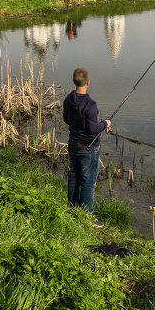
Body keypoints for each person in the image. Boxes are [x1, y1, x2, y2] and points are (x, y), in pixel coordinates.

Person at [63, 67, 111, 225]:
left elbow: (66, 119)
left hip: (72, 143)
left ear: (73, 81)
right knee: (88, 181)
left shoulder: (68, 99)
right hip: (88, 148)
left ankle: (72, 208)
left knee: (74, 176)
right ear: (88, 82)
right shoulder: (91, 104)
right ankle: (88, 216)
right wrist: (105, 123)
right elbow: (92, 128)